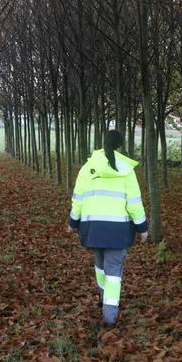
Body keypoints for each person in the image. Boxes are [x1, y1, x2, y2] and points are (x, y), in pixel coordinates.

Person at [67, 130, 148, 328]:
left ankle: (105, 299)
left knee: (100, 265)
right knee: (113, 273)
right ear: (120, 146)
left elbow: (78, 197)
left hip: (93, 228)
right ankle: (110, 316)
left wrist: (72, 222)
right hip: (118, 230)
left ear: (103, 144)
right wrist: (142, 227)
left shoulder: (88, 167)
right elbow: (134, 203)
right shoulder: (127, 170)